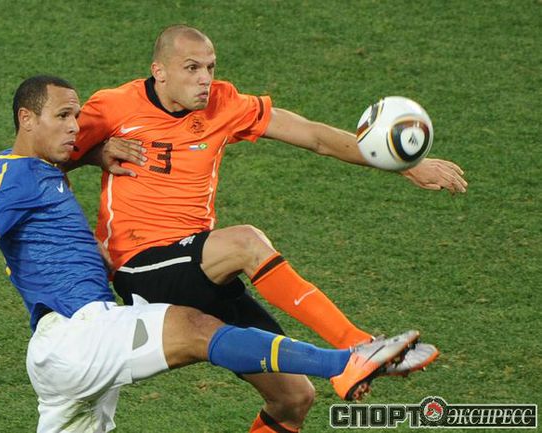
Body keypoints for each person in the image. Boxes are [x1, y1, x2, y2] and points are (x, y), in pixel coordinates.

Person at [0, 75, 428, 433]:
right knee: (195, 328)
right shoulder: (12, 174)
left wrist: (96, 156)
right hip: (77, 335)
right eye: (63, 117)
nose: (76, 127)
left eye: (77, 116)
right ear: (26, 118)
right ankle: (345, 359)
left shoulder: (42, 175)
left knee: (275, 384)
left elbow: (58, 236)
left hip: (72, 353)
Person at [68, 25, 459, 433]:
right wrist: (95, 161)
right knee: (245, 242)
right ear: (159, 71)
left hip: (199, 268)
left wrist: (401, 163)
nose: (205, 79)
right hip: (141, 265)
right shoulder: (114, 106)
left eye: (210, 67)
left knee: (294, 397)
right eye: (192, 68)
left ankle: (357, 355)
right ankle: (357, 344)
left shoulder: (223, 103)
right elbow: (45, 158)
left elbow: (314, 136)